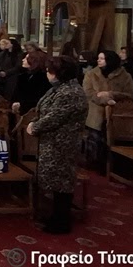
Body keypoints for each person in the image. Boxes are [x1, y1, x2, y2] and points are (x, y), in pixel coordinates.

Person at [27, 56, 87, 234]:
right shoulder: (60, 88)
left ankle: (61, 221)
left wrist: (35, 126)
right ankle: (53, 215)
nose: (47, 74)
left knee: (61, 182)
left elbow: (55, 117)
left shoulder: (70, 93)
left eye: (49, 71)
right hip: (52, 142)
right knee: (54, 180)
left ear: (58, 73)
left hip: (62, 143)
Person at [81, 50, 133, 172]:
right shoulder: (91, 74)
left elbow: (131, 94)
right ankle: (95, 165)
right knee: (95, 140)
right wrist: (106, 100)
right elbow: (88, 93)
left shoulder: (125, 76)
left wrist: (110, 94)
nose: (98, 60)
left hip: (117, 114)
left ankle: (114, 167)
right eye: (98, 58)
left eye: (102, 58)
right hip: (96, 113)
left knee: (112, 142)